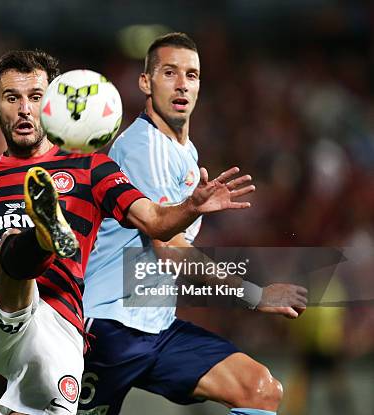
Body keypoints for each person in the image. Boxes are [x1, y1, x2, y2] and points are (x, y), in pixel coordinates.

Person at [0, 49, 254, 415]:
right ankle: (42, 236)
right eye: (12, 98)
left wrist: (191, 206)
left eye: (35, 96)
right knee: (6, 256)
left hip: (58, 327)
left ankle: (43, 235)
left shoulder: (92, 170)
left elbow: (153, 221)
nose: (24, 109)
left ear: (51, 104)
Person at [79, 32, 308, 415]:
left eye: (192, 74)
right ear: (145, 82)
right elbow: (169, 250)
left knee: (260, 389)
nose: (183, 83)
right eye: (169, 72)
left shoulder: (184, 151)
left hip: (157, 327)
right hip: (109, 329)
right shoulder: (143, 148)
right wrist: (254, 294)